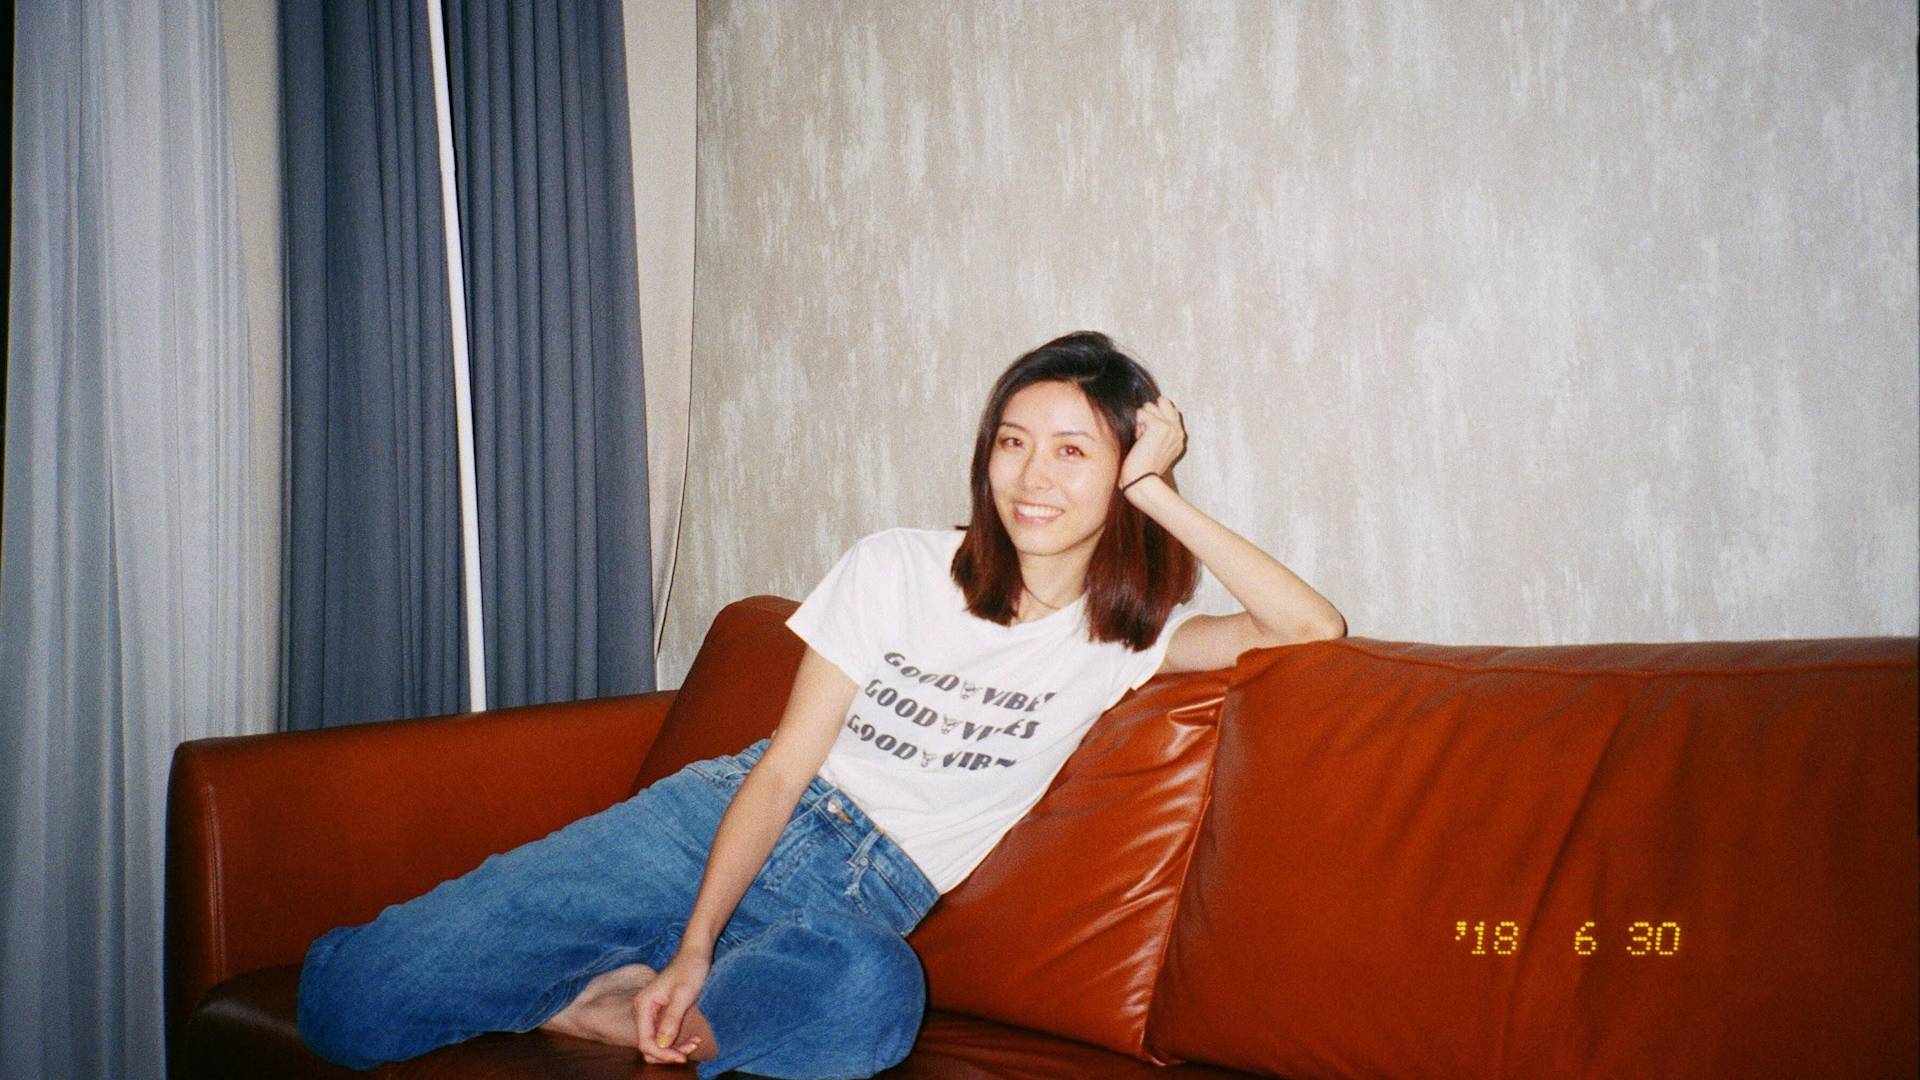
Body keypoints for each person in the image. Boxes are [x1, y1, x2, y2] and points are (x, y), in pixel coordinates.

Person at [295, 330, 1345, 1078]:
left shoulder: (1126, 641)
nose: (1032, 474)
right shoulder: (898, 567)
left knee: (874, 996)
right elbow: (785, 769)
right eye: (1012, 440)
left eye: (1075, 450)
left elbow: (1311, 627)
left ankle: (623, 1012)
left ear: (1119, 471)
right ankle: (650, 989)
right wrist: (697, 944)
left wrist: (1156, 490)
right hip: (714, 825)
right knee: (349, 1006)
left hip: (854, 903)